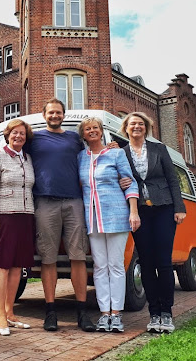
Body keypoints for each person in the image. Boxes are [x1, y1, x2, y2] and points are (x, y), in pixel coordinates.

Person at [0, 99, 131, 332]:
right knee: (48, 257)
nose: (55, 115)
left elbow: (96, 151)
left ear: (63, 115)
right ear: (44, 115)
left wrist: (115, 148)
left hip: (75, 200)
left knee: (78, 256)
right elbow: (13, 148)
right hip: (45, 202)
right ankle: (50, 311)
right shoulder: (34, 139)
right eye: (51, 112)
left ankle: (82, 312)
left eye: (58, 112)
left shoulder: (75, 139)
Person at [120, 112, 186, 333]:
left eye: (140, 124)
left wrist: (179, 208)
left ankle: (167, 313)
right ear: (126, 128)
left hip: (164, 209)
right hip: (139, 212)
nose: (136, 127)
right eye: (132, 124)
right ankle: (154, 313)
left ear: (146, 128)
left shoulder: (159, 149)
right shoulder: (122, 153)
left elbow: (172, 180)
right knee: (146, 264)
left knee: (164, 263)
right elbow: (118, 176)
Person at [77, 117, 140, 333]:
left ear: (102, 131)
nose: (92, 131)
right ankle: (104, 314)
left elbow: (129, 181)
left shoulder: (116, 153)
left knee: (116, 266)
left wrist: (133, 211)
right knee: (99, 267)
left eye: (95, 128)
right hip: (92, 219)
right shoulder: (80, 158)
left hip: (116, 216)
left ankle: (117, 314)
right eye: (88, 129)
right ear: (83, 134)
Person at [0, 118, 35, 336]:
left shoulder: (28, 157)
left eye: (22, 133)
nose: (18, 136)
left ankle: (10, 312)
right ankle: (0, 316)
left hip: (25, 216)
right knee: (2, 266)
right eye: (14, 133)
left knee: (17, 267)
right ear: (7, 135)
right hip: (5, 216)